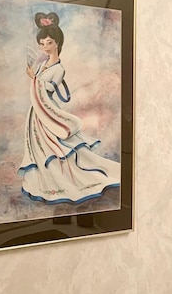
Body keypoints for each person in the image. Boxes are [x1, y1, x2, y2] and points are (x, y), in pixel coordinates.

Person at [19, 11, 120, 205]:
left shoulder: (58, 68)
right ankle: (48, 180)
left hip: (48, 111)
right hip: (39, 113)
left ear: (57, 42)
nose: (45, 47)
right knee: (43, 148)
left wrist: (34, 78)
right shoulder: (44, 64)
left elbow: (48, 89)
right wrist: (36, 76)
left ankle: (66, 180)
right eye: (42, 43)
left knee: (58, 147)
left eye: (49, 42)